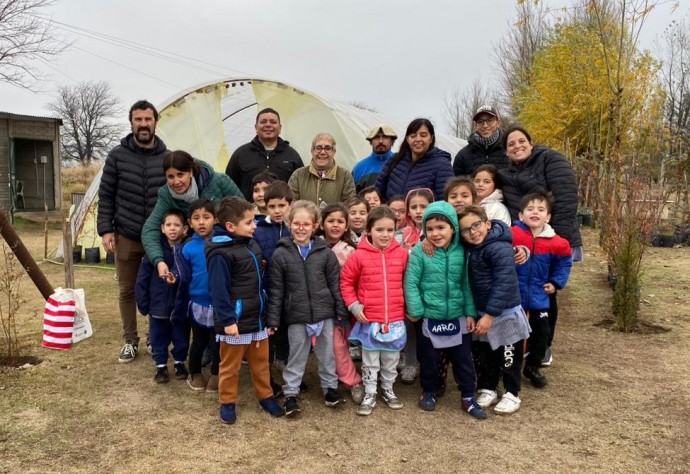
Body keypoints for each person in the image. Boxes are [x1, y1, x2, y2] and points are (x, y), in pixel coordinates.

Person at [499, 125, 582, 366]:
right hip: (523, 238)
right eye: (511, 144)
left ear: (531, 142)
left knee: (548, 292)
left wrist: (557, 239)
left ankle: (544, 345)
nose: (517, 146)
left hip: (550, 237)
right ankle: (524, 342)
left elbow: (566, 198)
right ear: (506, 151)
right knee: (526, 289)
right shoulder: (508, 172)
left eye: (521, 141)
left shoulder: (550, 159)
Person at [98, 100, 169, 363]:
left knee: (156, 288)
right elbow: (106, 195)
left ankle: (154, 338)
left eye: (147, 119)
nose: (143, 124)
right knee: (127, 290)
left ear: (155, 122)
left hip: (157, 238)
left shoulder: (166, 156)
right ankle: (130, 340)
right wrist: (106, 229)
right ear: (131, 123)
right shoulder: (117, 155)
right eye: (138, 119)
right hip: (126, 233)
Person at [206, 197, 284, 424]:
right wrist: (228, 321)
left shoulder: (250, 243)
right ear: (231, 227)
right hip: (235, 323)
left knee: (261, 364)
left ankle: (266, 396)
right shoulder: (220, 253)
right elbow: (218, 291)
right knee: (230, 367)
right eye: (249, 222)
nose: (254, 226)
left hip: (257, 319)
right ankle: (227, 402)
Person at [404, 201, 485, 418]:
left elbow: (466, 284)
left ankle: (468, 396)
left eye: (441, 228)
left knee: (463, 359)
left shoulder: (463, 251)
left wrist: (470, 312)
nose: (435, 233)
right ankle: (428, 391)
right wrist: (417, 310)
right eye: (429, 229)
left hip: (458, 316)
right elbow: (411, 282)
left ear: (453, 228)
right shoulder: (421, 251)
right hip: (429, 316)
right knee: (429, 358)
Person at [267, 200, 348, 417]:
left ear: (315, 226)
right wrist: (273, 320)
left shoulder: (325, 253)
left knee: (326, 354)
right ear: (289, 224)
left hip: (325, 315)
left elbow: (334, 285)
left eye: (306, 224)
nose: (301, 228)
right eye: (296, 223)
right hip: (297, 316)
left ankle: (330, 389)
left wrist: (341, 310)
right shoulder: (281, 254)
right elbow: (276, 291)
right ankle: (291, 393)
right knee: (297, 355)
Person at [458, 205, 532, 415]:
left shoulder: (499, 247)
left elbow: (504, 282)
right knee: (486, 355)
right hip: (482, 312)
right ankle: (488, 388)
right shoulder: (470, 248)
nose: (473, 232)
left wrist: (490, 315)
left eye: (476, 225)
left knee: (510, 355)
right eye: (466, 229)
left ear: (488, 224)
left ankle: (512, 392)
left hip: (504, 312)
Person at [341, 206, 409, 416]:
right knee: (370, 361)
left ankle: (388, 389)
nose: (385, 235)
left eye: (390, 230)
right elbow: (346, 283)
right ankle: (370, 392)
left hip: (395, 320)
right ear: (369, 230)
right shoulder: (358, 256)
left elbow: (409, 283)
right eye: (380, 230)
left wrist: (409, 308)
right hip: (369, 320)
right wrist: (354, 306)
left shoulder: (403, 255)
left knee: (391, 360)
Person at [141, 150, 243, 280]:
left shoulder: (220, 181)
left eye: (180, 174)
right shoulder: (166, 194)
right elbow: (150, 229)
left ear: (190, 172)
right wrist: (159, 260)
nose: (176, 182)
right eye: (170, 177)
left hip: (227, 247)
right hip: (195, 251)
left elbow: (244, 213)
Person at [511, 191, 572, 388]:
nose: (535, 212)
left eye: (540, 209)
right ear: (521, 215)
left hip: (540, 296)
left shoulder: (557, 242)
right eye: (530, 209)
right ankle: (511, 367)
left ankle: (533, 366)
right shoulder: (512, 234)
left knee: (541, 333)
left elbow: (564, 263)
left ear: (548, 217)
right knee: (514, 334)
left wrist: (555, 283)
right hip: (515, 295)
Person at [135, 209, 189, 383]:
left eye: (177, 225)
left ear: (185, 229)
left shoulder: (187, 251)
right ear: (162, 228)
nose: (173, 228)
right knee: (159, 337)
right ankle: (160, 365)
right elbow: (142, 279)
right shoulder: (154, 252)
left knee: (181, 336)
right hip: (158, 305)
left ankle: (180, 362)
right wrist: (143, 303)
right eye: (169, 225)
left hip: (180, 305)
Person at [172, 199, 219, 392]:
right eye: (196, 218)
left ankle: (216, 374)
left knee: (217, 343)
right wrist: (173, 276)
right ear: (190, 223)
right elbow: (181, 272)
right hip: (196, 304)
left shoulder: (223, 243)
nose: (201, 222)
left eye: (206, 217)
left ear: (215, 220)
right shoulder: (187, 247)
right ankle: (196, 373)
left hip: (219, 304)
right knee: (198, 342)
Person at [318, 203, 363, 404]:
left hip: (348, 305)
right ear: (321, 223)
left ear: (346, 226)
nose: (335, 225)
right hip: (323, 306)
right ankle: (353, 382)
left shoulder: (352, 251)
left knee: (345, 343)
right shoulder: (314, 246)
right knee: (336, 346)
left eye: (340, 221)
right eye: (330, 221)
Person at [253, 180, 293, 392]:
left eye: (282, 206)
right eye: (272, 206)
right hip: (267, 291)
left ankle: (288, 372)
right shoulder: (258, 230)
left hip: (291, 291)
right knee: (269, 332)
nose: (277, 211)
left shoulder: (294, 229)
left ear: (290, 205)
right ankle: (266, 377)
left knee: (288, 333)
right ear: (265, 207)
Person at [225, 108, 304, 201]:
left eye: (273, 122)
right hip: (249, 213)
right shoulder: (240, 154)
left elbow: (300, 188)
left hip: (282, 212)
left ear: (280, 128)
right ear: (256, 127)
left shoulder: (292, 155)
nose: (268, 125)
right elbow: (228, 187)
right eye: (263, 122)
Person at [375, 118, 454, 202]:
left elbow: (445, 203)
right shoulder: (394, 160)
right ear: (407, 139)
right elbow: (378, 192)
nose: (418, 139)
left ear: (431, 138)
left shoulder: (442, 165)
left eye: (423, 135)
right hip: (392, 214)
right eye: (413, 136)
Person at [288, 133, 356, 208]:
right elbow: (291, 205)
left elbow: (349, 206)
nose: (323, 152)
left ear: (334, 152)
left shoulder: (345, 176)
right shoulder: (298, 175)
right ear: (312, 151)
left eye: (327, 148)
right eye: (318, 148)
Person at [452, 105, 508, 177]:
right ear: (475, 126)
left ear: (498, 123)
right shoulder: (463, 156)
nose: (485, 125)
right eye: (480, 121)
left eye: (490, 120)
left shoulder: (509, 150)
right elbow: (457, 185)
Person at [352, 124, 397, 192]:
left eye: (385, 137)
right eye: (376, 137)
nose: (380, 141)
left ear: (392, 141)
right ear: (371, 142)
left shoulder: (401, 163)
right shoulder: (359, 168)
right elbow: (353, 198)